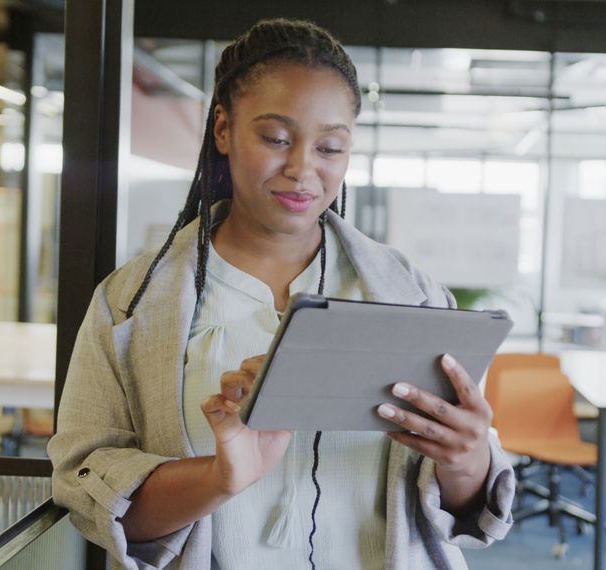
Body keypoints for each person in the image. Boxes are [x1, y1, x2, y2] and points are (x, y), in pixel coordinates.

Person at [49, 18, 515, 569]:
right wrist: (221, 477)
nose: (302, 169)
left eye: (330, 147)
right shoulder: (129, 302)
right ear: (223, 130)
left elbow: (466, 508)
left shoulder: (411, 294)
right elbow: (90, 496)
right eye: (275, 138)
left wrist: (467, 457)